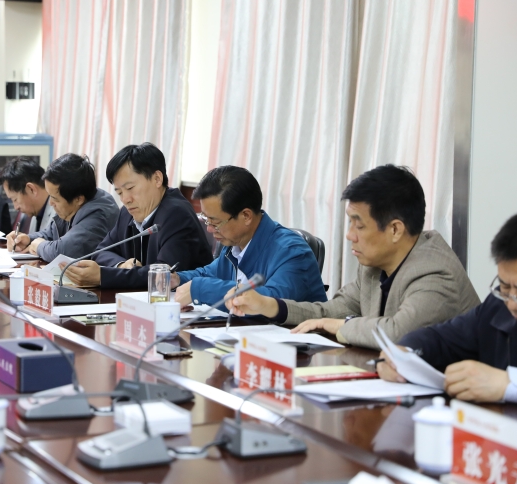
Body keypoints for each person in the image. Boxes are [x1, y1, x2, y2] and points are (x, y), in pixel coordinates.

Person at [227, 164, 480, 349]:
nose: (349, 235)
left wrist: (343, 325)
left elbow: (399, 333)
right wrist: (269, 305)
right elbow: (330, 312)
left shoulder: (434, 272)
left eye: (359, 225)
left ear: (395, 229)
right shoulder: (373, 266)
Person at [379, 208, 517, 409]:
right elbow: (441, 338)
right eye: (505, 286)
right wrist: (403, 353)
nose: (513, 304)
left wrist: (509, 384)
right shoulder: (498, 306)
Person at [172, 166, 326, 311]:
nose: (209, 229)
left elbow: (271, 302)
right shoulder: (235, 244)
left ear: (246, 216)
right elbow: (209, 274)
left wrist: (200, 289)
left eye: (216, 222)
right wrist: (176, 279)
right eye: (207, 219)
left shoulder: (293, 252)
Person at [62, 142, 213, 289]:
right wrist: (122, 265)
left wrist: (103, 276)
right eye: (120, 192)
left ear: (157, 179)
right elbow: (101, 251)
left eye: (130, 188)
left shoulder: (177, 214)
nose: (125, 199)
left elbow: (163, 275)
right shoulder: (127, 213)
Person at [7, 154, 120, 260]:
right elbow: (49, 233)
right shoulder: (71, 206)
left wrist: (39, 246)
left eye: (55, 198)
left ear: (78, 199)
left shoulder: (99, 214)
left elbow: (63, 251)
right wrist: (28, 239)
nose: (50, 203)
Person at [0, 157, 55, 247]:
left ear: (31, 189)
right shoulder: (35, 211)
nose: (16, 207)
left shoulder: (60, 212)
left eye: (15, 199)